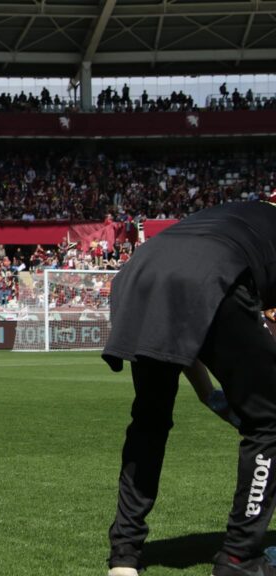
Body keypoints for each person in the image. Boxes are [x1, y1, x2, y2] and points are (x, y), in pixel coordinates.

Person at [103, 199, 276, 576]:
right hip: (211, 274)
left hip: (140, 273)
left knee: (149, 419)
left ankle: (124, 557)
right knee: (269, 424)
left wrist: (206, 392)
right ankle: (239, 558)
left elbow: (186, 311)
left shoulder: (240, 212)